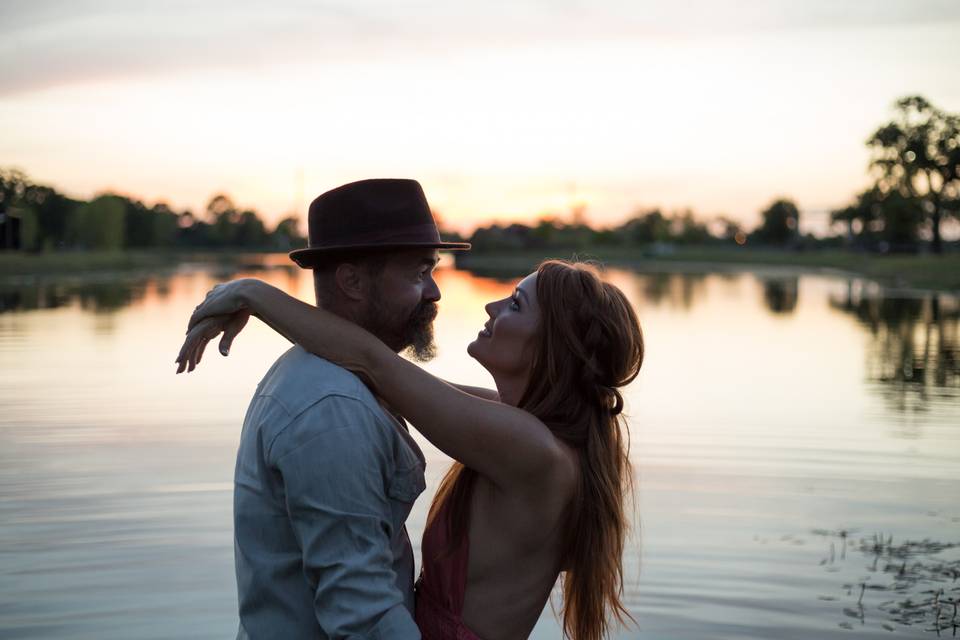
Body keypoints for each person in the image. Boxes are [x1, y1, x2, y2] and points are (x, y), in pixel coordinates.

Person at [178, 251, 644, 639]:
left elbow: (373, 363)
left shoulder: (531, 448)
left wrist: (249, 293)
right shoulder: (526, 429)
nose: (492, 307)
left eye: (516, 305)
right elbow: (380, 373)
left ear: (552, 345)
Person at [179, 178, 470, 639]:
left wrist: (256, 293)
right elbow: (365, 618)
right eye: (419, 273)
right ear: (352, 281)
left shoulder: (344, 379)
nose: (434, 293)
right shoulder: (333, 410)